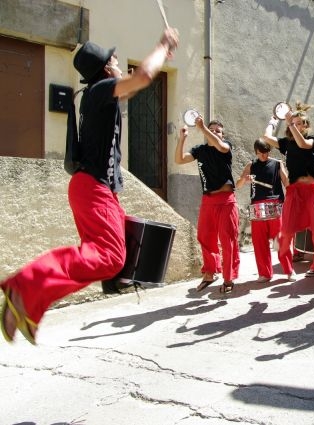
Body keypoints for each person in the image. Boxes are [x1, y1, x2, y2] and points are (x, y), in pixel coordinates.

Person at [0, 29, 179, 344]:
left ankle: (29, 305)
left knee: (111, 258)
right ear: (107, 68)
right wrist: (163, 46)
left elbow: (134, 84)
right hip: (92, 188)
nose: (120, 64)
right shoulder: (100, 90)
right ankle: (23, 288)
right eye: (115, 60)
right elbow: (144, 77)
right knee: (108, 257)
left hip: (94, 189)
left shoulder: (98, 95)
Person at [262, 102, 314, 278]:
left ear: (306, 126)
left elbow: (302, 145)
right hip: (294, 190)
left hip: (313, 190)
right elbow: (266, 137)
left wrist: (291, 123)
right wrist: (272, 121)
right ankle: (286, 261)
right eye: (296, 122)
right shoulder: (286, 143)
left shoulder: (313, 140)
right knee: (286, 230)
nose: (298, 125)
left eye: (301, 123)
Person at [175, 118, 240, 294]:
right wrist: (182, 139)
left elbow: (220, 146)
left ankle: (228, 278)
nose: (215, 132)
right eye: (213, 129)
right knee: (205, 236)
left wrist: (203, 127)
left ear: (222, 135)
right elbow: (179, 160)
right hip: (208, 200)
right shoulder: (201, 150)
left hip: (226, 199)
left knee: (227, 239)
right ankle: (210, 273)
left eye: (218, 131)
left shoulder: (225, 147)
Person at [236, 140, 290, 282]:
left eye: (266, 153)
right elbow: (238, 184)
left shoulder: (277, 163)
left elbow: (286, 182)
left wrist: (291, 196)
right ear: (256, 152)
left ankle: (289, 271)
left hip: (274, 203)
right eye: (260, 154)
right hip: (257, 206)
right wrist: (245, 179)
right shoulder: (251, 165)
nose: (263, 156)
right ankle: (265, 274)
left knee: (280, 240)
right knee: (259, 243)